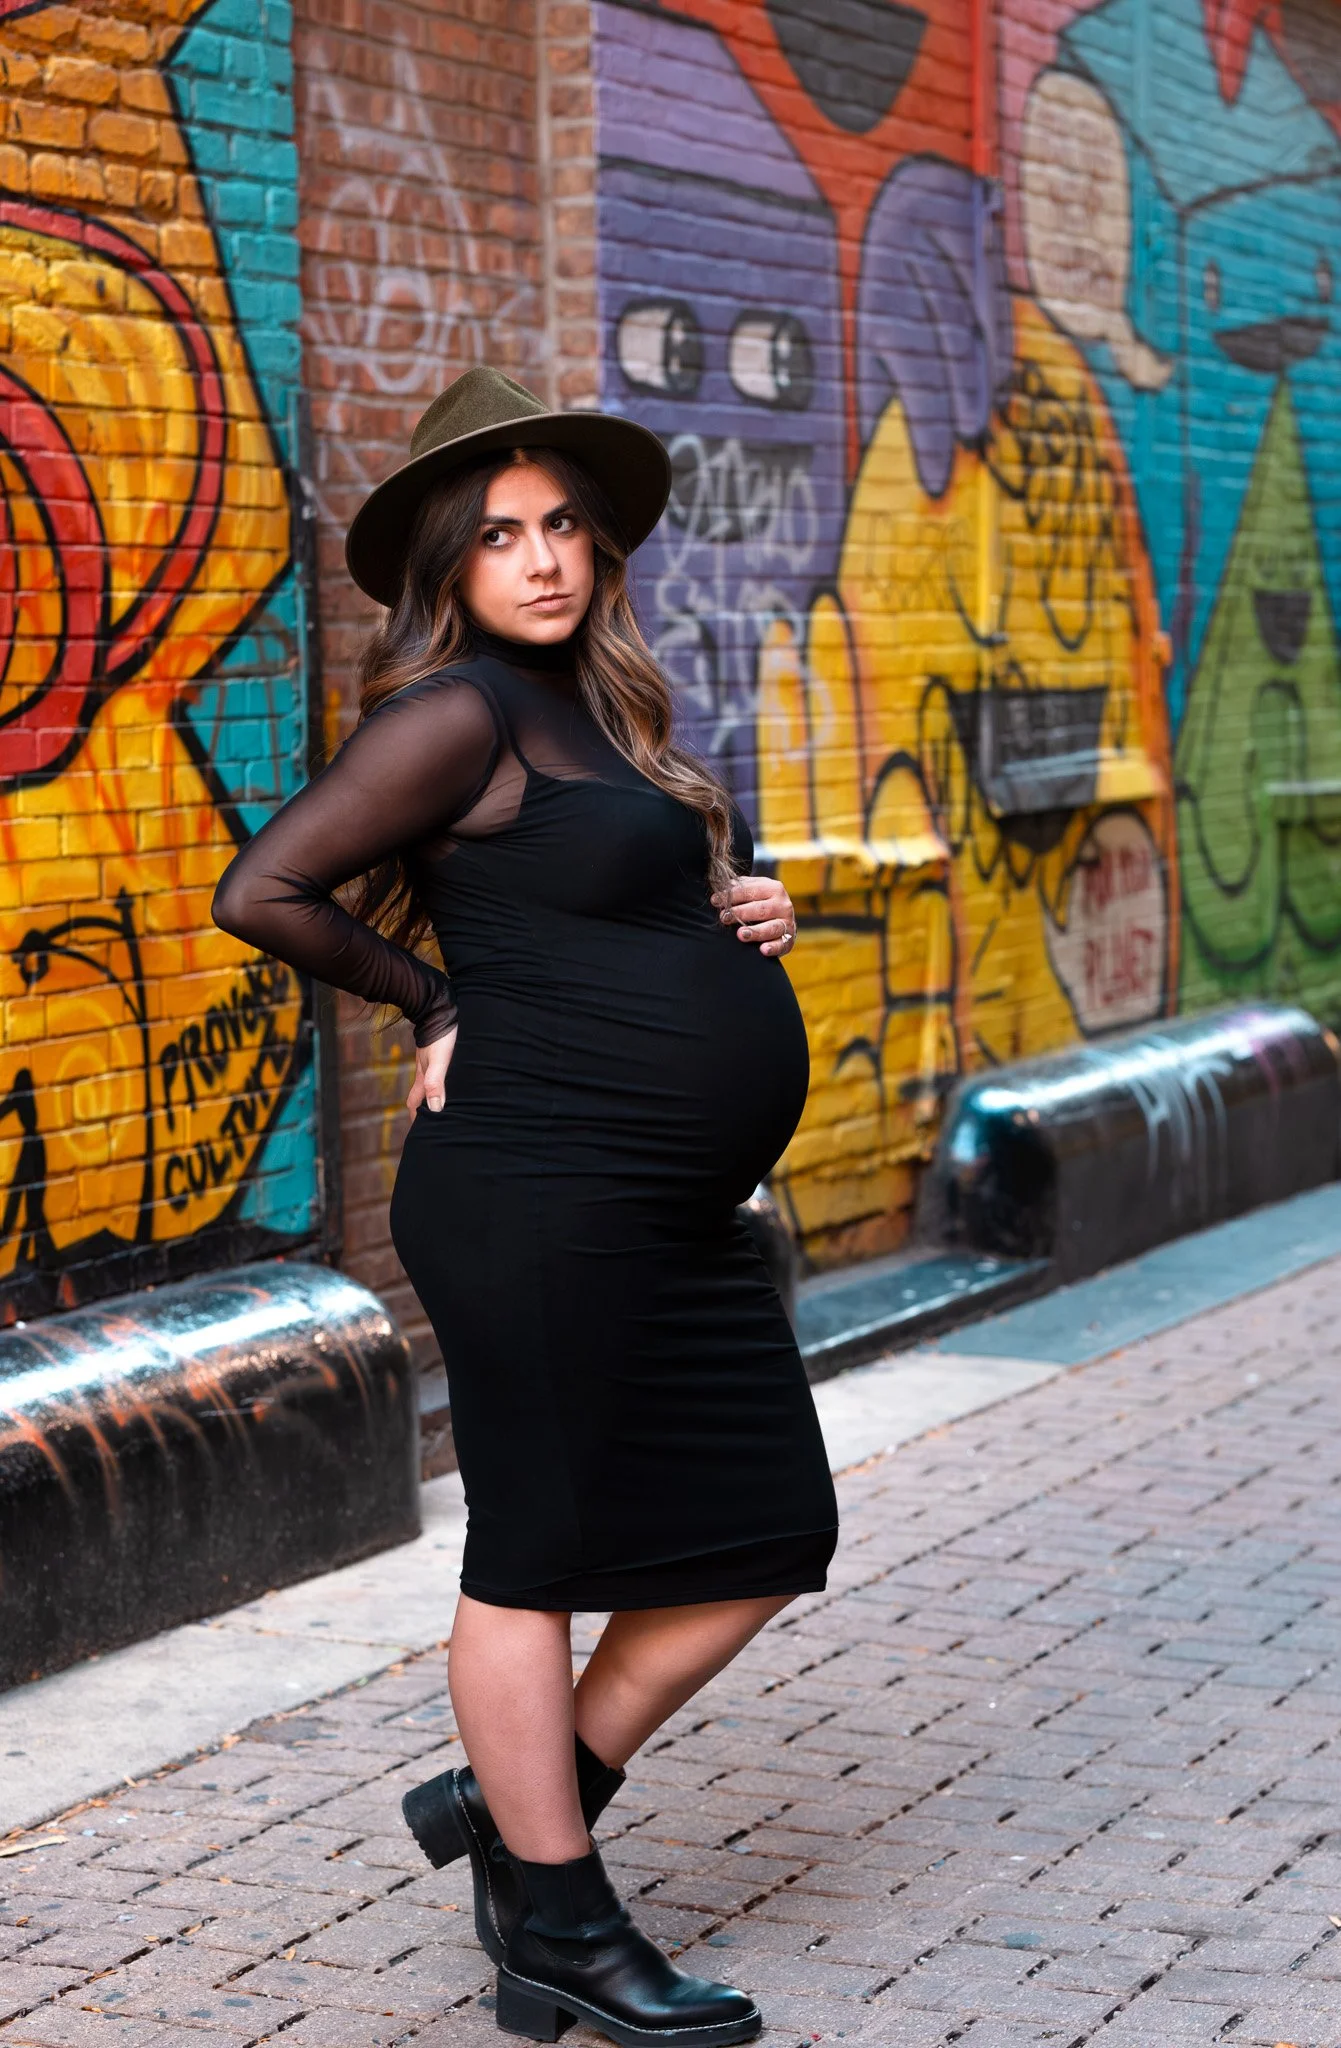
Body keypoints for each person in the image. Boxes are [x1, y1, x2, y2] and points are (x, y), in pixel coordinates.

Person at [212, 367, 839, 2048]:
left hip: (664, 1209)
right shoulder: (459, 713)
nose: (544, 559)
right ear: (449, 565)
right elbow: (261, 890)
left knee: (775, 1527)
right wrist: (427, 1003)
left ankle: (516, 1811)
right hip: (533, 1192)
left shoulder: (607, 716)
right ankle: (561, 1918)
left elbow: (612, 912)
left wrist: (739, 907)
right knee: (534, 1559)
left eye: (564, 525)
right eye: (501, 535)